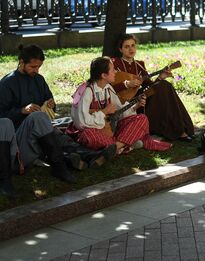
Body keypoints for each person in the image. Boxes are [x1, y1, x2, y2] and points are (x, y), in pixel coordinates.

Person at [0, 45, 76, 183]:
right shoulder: (7, 83)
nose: (36, 70)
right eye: (33, 67)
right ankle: (60, 165)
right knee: (38, 118)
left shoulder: (39, 79)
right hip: (16, 141)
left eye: (39, 67)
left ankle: (84, 157)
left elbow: (49, 103)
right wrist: (22, 111)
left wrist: (51, 105)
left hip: (41, 134)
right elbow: (2, 118)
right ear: (22, 62)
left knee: (62, 132)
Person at [68, 56, 172, 154]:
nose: (115, 72)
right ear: (104, 75)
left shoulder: (108, 88)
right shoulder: (86, 91)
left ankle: (116, 147)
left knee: (141, 118)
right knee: (89, 136)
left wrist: (136, 106)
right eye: (112, 70)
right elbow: (81, 123)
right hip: (92, 131)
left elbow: (120, 109)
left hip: (110, 131)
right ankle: (125, 143)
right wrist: (104, 112)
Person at [111, 34, 194, 141]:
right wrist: (127, 84)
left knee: (165, 85)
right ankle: (181, 130)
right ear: (120, 49)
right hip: (130, 104)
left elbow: (149, 87)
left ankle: (181, 129)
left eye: (133, 45)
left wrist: (160, 77)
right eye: (127, 47)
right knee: (164, 87)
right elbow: (110, 87)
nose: (131, 49)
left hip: (143, 98)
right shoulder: (115, 63)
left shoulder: (139, 64)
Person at [0, 118, 18, 198]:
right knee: (4, 122)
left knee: (39, 115)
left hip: (21, 135)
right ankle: (4, 179)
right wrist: (20, 111)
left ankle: (58, 167)